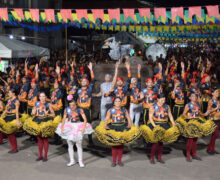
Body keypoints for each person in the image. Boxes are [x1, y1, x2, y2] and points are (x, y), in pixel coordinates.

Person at [95, 97, 141, 167]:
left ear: (121, 102)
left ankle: (119, 160)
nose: (117, 102)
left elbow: (128, 118)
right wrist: (105, 125)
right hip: (113, 127)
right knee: (114, 145)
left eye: (119, 101)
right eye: (116, 101)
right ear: (114, 102)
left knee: (120, 145)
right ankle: (114, 161)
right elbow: (107, 118)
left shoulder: (124, 110)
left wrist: (129, 125)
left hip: (122, 127)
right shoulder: (111, 110)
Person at [176, 90, 216, 162]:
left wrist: (206, 113)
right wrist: (188, 117)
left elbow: (201, 113)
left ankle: (194, 154)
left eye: (195, 96)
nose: (194, 97)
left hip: (197, 121)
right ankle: (188, 154)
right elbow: (183, 114)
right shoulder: (188, 105)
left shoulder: (198, 104)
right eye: (193, 96)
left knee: (195, 139)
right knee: (190, 139)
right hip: (190, 122)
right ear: (190, 98)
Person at [141, 93, 179, 164]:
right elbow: (150, 117)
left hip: (164, 124)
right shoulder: (153, 106)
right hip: (155, 124)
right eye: (161, 100)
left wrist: (173, 123)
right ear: (158, 99)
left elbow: (170, 116)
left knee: (161, 142)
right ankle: (152, 157)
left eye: (164, 100)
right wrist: (155, 125)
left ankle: (159, 157)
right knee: (155, 142)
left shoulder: (167, 106)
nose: (163, 101)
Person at [56, 97, 93, 167]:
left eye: (73, 105)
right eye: (70, 105)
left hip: (78, 126)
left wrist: (83, 128)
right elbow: (64, 118)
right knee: (69, 144)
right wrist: (62, 127)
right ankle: (72, 160)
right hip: (69, 126)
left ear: (76, 104)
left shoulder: (80, 109)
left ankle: (80, 161)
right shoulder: (66, 109)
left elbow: (85, 119)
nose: (72, 107)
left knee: (79, 144)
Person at [23, 92, 61, 161]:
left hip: (45, 121)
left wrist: (47, 114)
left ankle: (45, 156)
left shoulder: (48, 104)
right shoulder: (36, 103)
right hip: (37, 121)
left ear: (45, 97)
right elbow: (32, 113)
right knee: (39, 139)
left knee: (45, 139)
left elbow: (53, 115)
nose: (42, 98)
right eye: (41, 96)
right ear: (39, 97)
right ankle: (40, 155)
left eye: (43, 96)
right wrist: (33, 112)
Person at [76, 62, 94, 145]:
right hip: (79, 109)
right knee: (78, 124)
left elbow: (93, 80)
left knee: (88, 124)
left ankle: (90, 140)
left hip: (86, 109)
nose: (83, 82)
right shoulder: (78, 90)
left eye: (85, 81)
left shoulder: (89, 89)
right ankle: (78, 139)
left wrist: (91, 70)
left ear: (87, 83)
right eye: (82, 81)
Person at [0, 89, 22, 153]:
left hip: (13, 117)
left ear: (13, 94)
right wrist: (2, 116)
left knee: (11, 133)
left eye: (9, 93)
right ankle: (13, 147)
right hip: (8, 116)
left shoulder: (16, 101)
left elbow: (17, 111)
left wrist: (17, 120)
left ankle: (15, 148)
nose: (8, 94)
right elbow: (6, 110)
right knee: (7, 133)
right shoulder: (9, 100)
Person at [206, 88, 220, 155]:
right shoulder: (211, 101)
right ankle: (210, 149)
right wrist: (216, 108)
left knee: (215, 135)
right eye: (216, 92)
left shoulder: (218, 101)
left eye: (218, 92)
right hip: (213, 119)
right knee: (214, 135)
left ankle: (212, 148)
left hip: (218, 119)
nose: (218, 93)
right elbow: (208, 111)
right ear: (213, 93)